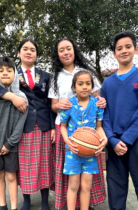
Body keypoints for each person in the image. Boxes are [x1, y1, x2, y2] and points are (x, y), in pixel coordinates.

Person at [0, 39, 55, 210]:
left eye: (32, 49)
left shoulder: (45, 75)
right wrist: (12, 97)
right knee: (25, 165)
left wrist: (52, 126)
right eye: (25, 49)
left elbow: (50, 101)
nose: (29, 52)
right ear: (19, 53)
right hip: (23, 124)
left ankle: (45, 201)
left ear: (36, 54)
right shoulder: (12, 73)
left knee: (44, 163)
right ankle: (27, 200)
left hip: (43, 123)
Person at [48, 37, 107, 210]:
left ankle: (86, 206)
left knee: (87, 181)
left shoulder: (87, 72)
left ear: (74, 50)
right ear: (57, 54)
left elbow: (97, 99)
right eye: (61, 50)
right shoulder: (55, 77)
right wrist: (59, 105)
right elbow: (53, 107)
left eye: (69, 48)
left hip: (89, 133)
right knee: (70, 179)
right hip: (67, 130)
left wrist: (101, 102)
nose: (66, 52)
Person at [101, 31, 138, 210]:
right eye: (119, 48)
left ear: (135, 49)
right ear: (114, 54)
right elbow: (104, 115)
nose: (123, 50)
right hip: (114, 143)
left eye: (128, 46)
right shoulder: (107, 84)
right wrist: (112, 140)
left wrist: (126, 139)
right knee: (116, 190)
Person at [0, 56, 29, 210]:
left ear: (15, 74)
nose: (5, 73)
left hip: (11, 146)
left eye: (9, 70)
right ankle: (3, 206)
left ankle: (14, 206)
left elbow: (20, 124)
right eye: (1, 70)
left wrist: (10, 143)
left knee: (11, 176)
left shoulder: (22, 99)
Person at [60, 70, 107, 210]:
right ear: (74, 87)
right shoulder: (68, 104)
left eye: (88, 83)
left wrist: (104, 139)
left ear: (92, 86)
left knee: (86, 186)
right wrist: (67, 141)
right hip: (72, 152)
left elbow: (99, 127)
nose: (85, 87)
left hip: (90, 154)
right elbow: (63, 127)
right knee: (73, 186)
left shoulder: (97, 104)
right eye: (80, 84)